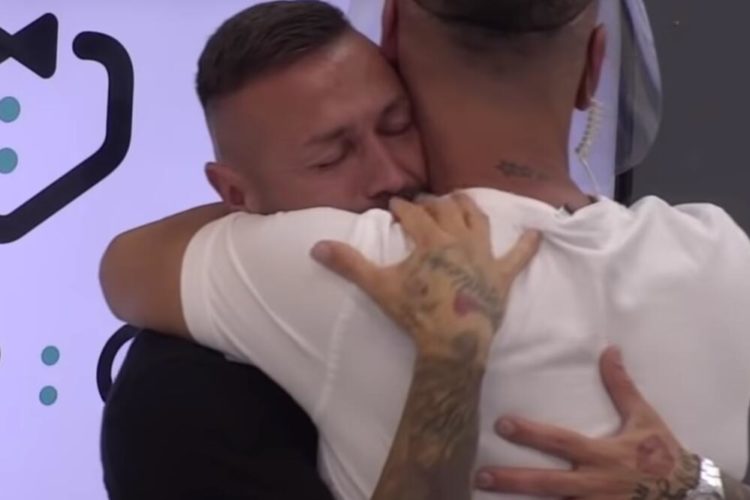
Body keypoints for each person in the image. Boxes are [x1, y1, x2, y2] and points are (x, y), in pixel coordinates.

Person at [101, 1, 750, 499]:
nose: (388, 176)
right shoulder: (723, 253)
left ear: (390, 35)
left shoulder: (353, 265)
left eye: (394, 125)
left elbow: (124, 264)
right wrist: (705, 484)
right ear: (595, 66)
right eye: (330, 157)